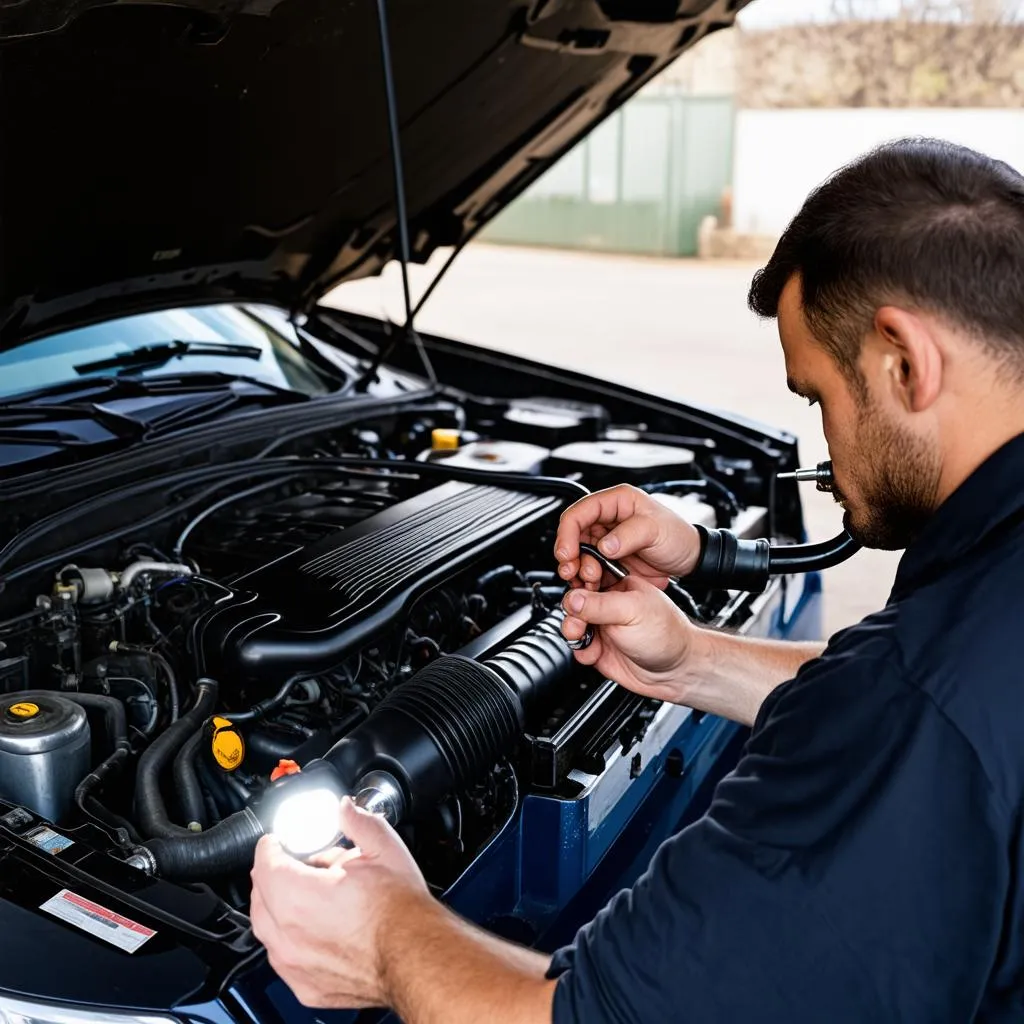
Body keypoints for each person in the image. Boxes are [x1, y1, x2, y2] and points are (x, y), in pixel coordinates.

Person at [249, 137, 1024, 1022]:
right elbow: (949, 722)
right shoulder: (967, 642)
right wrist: (689, 660)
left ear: (905, 362)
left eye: (817, 399)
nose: (825, 444)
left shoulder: (919, 702)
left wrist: (386, 934)